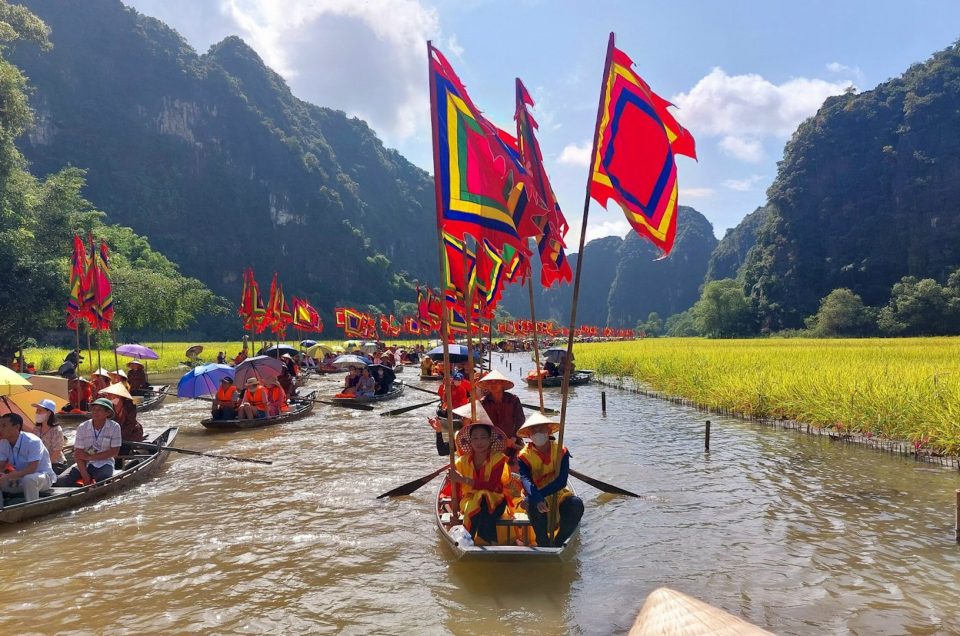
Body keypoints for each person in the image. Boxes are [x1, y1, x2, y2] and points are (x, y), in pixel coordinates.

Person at [517, 412, 585, 548]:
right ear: (528, 435)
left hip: (558, 492)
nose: (538, 433)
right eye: (534, 430)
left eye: (541, 429)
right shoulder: (523, 456)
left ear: (548, 431)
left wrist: (539, 495)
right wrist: (535, 497)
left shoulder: (561, 451)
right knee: (533, 505)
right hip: (534, 492)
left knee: (576, 505)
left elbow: (561, 481)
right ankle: (542, 542)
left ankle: (559, 542)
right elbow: (525, 479)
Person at [448, 422, 510, 545]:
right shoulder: (461, 462)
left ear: (490, 440)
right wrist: (454, 514)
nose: (479, 442)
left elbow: (492, 486)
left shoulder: (498, 458)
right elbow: (456, 491)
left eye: (483, 437)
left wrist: (464, 479)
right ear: (470, 442)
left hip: (496, 501)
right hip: (469, 501)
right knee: (476, 505)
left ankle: (471, 540)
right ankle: (488, 542)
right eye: (475, 438)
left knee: (483, 496)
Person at [55, 398, 122, 487]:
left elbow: (114, 452)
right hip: (84, 463)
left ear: (108, 413)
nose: (95, 412)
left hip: (104, 462)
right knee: (60, 481)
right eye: (93, 409)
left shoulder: (114, 427)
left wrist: (90, 456)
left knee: (104, 478)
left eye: (99, 410)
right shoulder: (82, 427)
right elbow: (78, 453)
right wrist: (84, 474)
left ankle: (93, 488)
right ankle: (83, 489)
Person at [0, 413, 57, 505]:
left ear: (17, 427)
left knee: (29, 479)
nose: (0, 429)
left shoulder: (32, 441)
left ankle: (32, 506)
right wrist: (4, 476)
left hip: (42, 479)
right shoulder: (3, 442)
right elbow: (1, 466)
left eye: (4, 426)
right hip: (19, 479)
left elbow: (32, 469)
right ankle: (1, 509)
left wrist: (8, 476)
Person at [477, 370, 525, 443]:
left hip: (512, 440)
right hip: (491, 441)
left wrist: (514, 437)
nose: (493, 385)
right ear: (487, 385)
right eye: (490, 382)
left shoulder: (513, 399)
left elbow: (520, 420)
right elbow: (481, 424)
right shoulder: (483, 402)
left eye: (497, 382)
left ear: (502, 384)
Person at [32, 399, 67, 473]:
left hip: (55, 464)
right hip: (39, 463)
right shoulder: (37, 428)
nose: (36, 413)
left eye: (39, 410)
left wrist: (45, 467)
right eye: (37, 410)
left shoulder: (56, 430)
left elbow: (56, 453)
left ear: (49, 413)